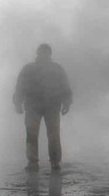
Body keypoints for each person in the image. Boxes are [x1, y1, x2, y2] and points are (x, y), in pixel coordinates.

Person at [13, 43, 72, 171]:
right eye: (42, 52)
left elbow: (64, 86)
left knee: (50, 135)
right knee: (36, 135)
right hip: (39, 106)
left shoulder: (32, 68)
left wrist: (67, 102)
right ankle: (37, 162)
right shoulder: (51, 68)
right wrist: (17, 102)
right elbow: (20, 86)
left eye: (45, 52)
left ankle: (51, 162)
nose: (43, 54)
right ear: (39, 53)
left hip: (46, 106)